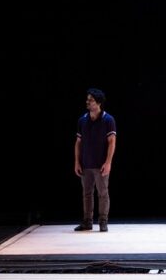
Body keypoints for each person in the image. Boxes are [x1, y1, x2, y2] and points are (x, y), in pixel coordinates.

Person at [74, 88, 116, 232]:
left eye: (90, 100)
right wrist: (77, 162)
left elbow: (112, 142)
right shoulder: (82, 120)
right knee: (87, 194)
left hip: (101, 164)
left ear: (98, 103)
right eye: (87, 99)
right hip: (86, 164)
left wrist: (108, 162)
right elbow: (78, 143)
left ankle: (103, 221)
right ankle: (87, 221)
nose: (87, 102)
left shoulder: (108, 119)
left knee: (103, 193)